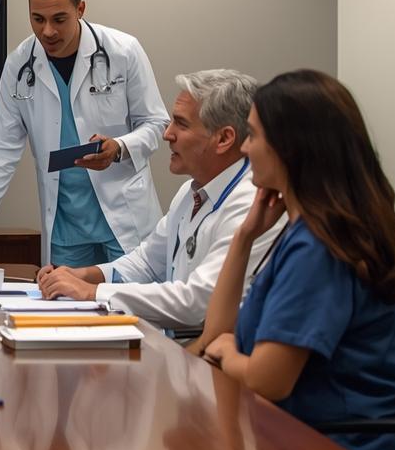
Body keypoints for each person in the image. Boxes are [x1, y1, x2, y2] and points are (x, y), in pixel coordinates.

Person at [199, 70, 395, 450]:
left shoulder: (321, 247)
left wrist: (228, 353)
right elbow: (214, 333)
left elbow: (268, 380)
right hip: (295, 441)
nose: (245, 148)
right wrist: (244, 237)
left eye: (254, 135)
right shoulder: (304, 232)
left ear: (292, 149)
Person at [0, 0, 169, 267]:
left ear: (80, 8)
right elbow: (2, 148)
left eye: (59, 19)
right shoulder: (19, 65)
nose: (47, 31)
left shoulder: (123, 51)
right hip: (67, 228)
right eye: (37, 19)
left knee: (130, 309)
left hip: (125, 217)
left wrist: (120, 148)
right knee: (68, 310)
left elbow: (156, 123)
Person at [36, 69, 281, 335]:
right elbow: (147, 263)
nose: (167, 134)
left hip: (206, 351)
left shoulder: (250, 204)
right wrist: (83, 275)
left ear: (223, 139)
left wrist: (93, 292)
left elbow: (197, 302)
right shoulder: (191, 191)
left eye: (181, 124)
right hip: (179, 344)